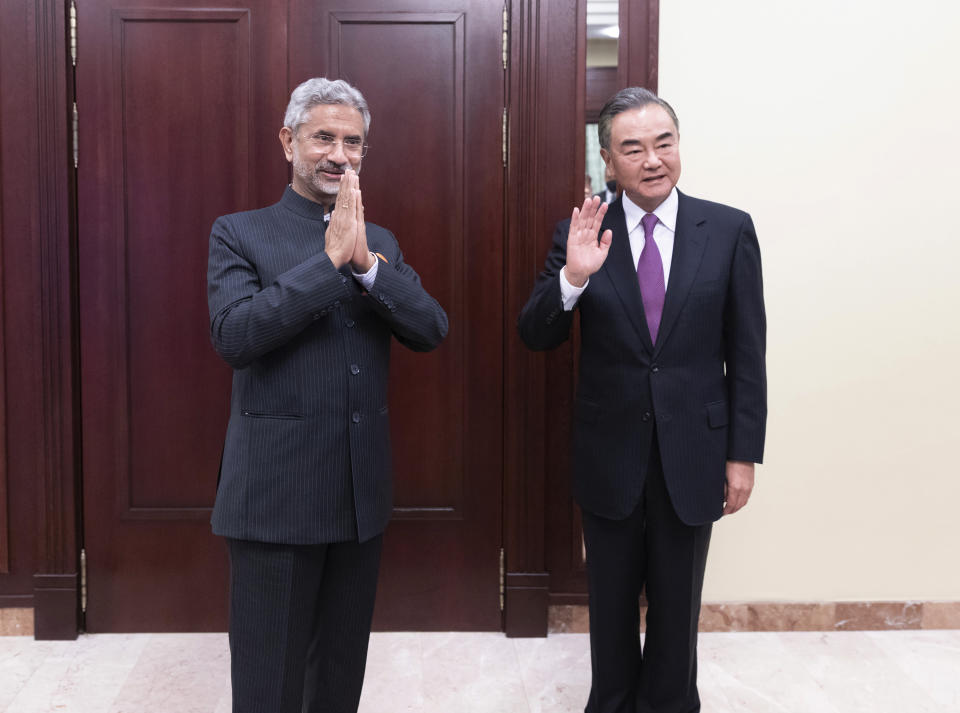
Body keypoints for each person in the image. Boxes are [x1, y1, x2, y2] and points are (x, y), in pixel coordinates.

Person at [519, 87, 766, 713]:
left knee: (678, 611)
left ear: (678, 147)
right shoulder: (582, 231)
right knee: (610, 606)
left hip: (695, 450)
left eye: (664, 143)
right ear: (608, 161)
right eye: (633, 148)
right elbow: (536, 333)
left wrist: (743, 454)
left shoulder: (728, 229)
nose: (653, 159)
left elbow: (748, 352)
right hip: (611, 452)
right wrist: (573, 277)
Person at [206, 77, 448, 713]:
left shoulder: (382, 242)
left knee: (338, 681)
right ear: (289, 143)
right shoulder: (239, 233)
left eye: (353, 142)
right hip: (274, 500)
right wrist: (329, 263)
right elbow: (235, 336)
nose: (340, 154)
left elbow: (430, 329)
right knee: (269, 686)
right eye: (324, 138)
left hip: (359, 498)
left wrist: (367, 265)